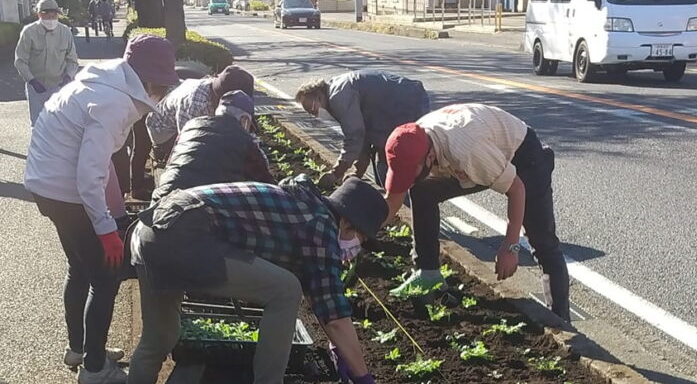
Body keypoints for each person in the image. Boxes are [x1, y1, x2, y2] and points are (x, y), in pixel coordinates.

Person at [24, 34, 179, 384]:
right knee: (105, 278)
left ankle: (80, 349)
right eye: (162, 84)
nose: (162, 92)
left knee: (79, 269)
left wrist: (116, 213)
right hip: (67, 192)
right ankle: (94, 370)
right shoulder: (114, 103)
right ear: (149, 80)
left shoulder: (104, 84)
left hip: (47, 186)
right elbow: (89, 174)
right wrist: (106, 228)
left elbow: (103, 163)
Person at [127, 176, 386, 384]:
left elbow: (321, 296)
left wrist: (339, 348)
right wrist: (363, 377)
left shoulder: (304, 206)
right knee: (285, 291)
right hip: (185, 234)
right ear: (349, 225)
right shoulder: (321, 226)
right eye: (361, 241)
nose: (356, 250)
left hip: (151, 230)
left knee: (159, 337)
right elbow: (335, 318)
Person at [381, 103, 571, 322]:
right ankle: (428, 272)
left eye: (410, 172)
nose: (407, 177)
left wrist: (510, 246)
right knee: (422, 189)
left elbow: (517, 189)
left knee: (543, 243)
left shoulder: (467, 152)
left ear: (430, 156)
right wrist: (357, 235)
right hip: (480, 149)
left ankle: (560, 319)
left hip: (523, 157)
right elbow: (393, 200)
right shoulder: (413, 141)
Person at [295, 70, 430, 190]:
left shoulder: (339, 97)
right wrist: (357, 172)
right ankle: (395, 199)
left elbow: (355, 135)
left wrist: (336, 172)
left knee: (395, 161)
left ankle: (405, 203)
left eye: (312, 109)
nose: (314, 114)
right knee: (385, 162)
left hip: (409, 102)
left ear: (319, 96)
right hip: (396, 106)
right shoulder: (335, 94)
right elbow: (363, 135)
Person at [151, 89, 274, 202]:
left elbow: (172, 164)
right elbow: (268, 186)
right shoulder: (244, 141)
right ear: (244, 120)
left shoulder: (190, 126)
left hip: (160, 202)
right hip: (197, 211)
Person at [145, 64, 255, 160]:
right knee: (203, 154)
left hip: (181, 118)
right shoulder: (195, 103)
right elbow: (186, 140)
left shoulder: (216, 90)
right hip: (163, 129)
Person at [14, 0, 78, 126]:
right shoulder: (29, 32)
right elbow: (20, 60)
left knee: (59, 123)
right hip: (36, 86)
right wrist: (32, 80)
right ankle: (38, 146)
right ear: (39, 15)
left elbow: (72, 60)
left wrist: (68, 77)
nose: (51, 19)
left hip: (59, 85)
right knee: (37, 123)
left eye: (54, 16)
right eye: (47, 16)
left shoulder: (65, 32)